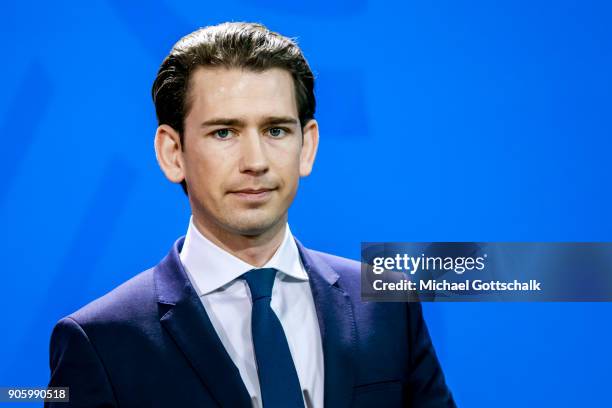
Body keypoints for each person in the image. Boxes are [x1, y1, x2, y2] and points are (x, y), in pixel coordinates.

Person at [46, 22, 456, 408]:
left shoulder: (388, 304)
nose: (255, 161)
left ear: (307, 145)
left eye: (276, 130)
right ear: (173, 153)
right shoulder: (100, 341)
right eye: (224, 132)